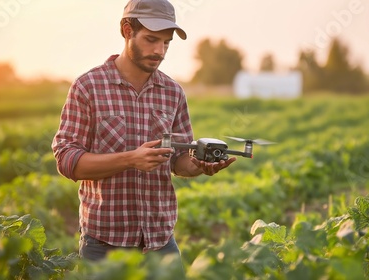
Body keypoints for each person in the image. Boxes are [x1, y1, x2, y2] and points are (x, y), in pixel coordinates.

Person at [51, 0, 236, 275]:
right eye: (151, 39)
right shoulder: (88, 87)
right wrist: (130, 159)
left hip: (161, 243)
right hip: (104, 247)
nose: (159, 51)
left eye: (166, 43)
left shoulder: (173, 92)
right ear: (127, 30)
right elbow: (67, 161)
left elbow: (179, 161)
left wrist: (198, 164)